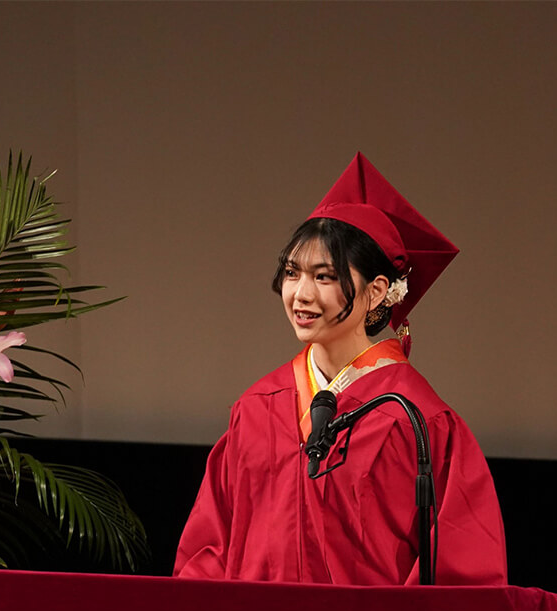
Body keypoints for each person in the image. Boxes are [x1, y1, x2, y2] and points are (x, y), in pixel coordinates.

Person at [174, 153, 507, 585]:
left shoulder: (419, 420)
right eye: (292, 273)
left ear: (377, 292)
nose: (300, 294)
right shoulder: (257, 409)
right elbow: (207, 552)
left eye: (325, 276)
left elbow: (459, 575)